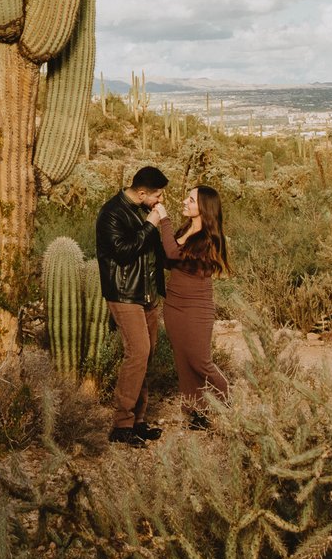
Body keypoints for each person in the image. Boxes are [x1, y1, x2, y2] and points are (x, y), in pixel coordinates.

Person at [95, 165, 171, 446]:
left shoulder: (140, 210)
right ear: (142, 193)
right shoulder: (111, 213)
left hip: (147, 294)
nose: (160, 201)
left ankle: (139, 421)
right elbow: (124, 252)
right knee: (137, 353)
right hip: (125, 294)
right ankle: (121, 425)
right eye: (158, 196)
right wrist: (151, 223)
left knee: (146, 357)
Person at [158, 184, 232, 426]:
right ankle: (196, 413)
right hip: (174, 304)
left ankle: (227, 403)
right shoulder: (186, 230)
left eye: (190, 199)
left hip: (196, 308)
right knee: (183, 359)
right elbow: (169, 262)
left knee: (200, 361)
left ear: (203, 207)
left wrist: (163, 219)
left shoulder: (208, 239)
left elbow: (170, 252)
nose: (184, 201)